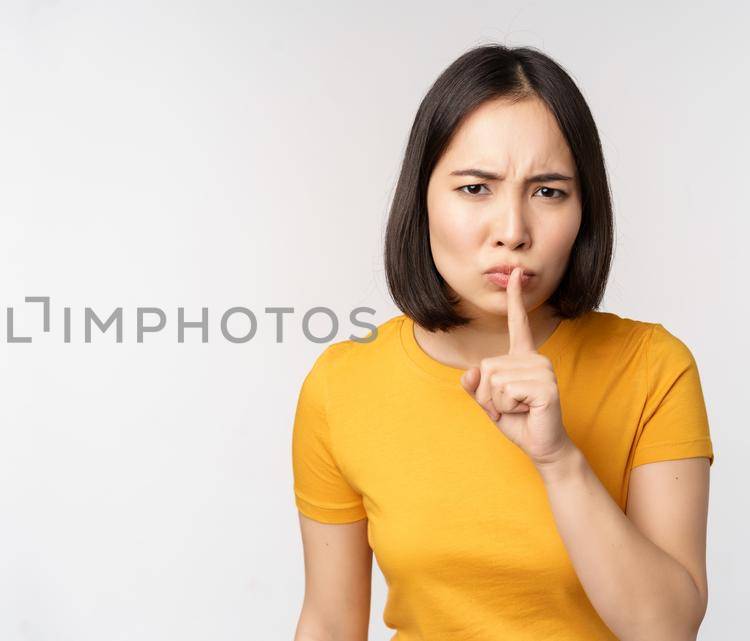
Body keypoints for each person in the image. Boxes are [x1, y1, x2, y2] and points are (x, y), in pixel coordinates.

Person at [291, 45, 713, 641]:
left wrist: (560, 461)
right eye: (474, 188)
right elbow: (330, 622)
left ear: (584, 210)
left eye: (548, 192)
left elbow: (667, 630)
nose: (512, 232)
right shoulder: (343, 384)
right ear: (422, 198)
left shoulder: (651, 367)